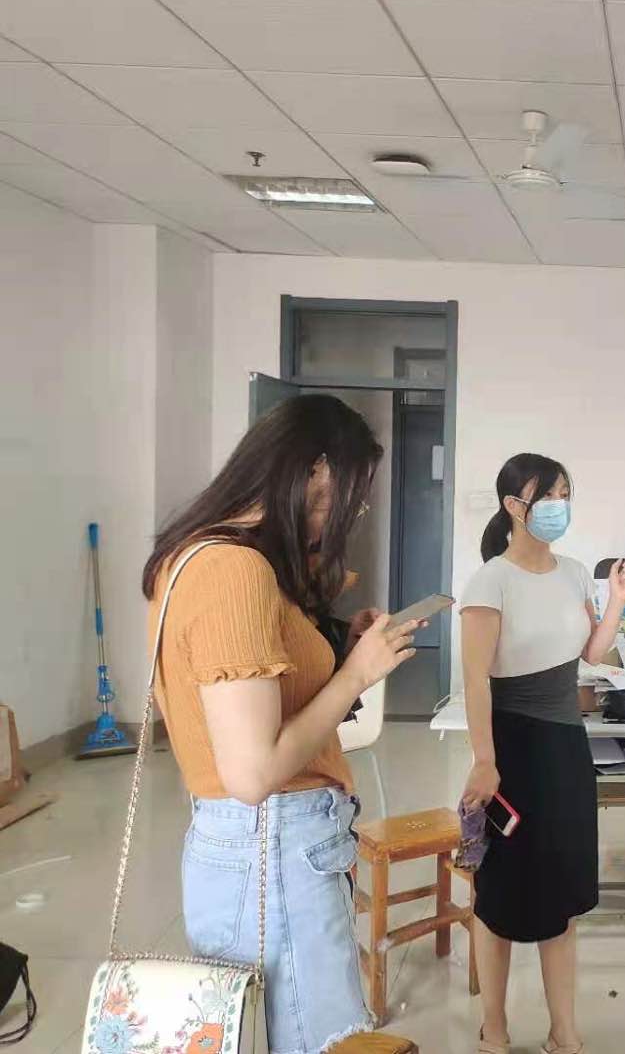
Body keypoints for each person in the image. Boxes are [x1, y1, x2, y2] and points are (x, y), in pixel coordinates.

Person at [141, 394, 422, 1054]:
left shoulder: (195, 556)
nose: (349, 514)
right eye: (350, 497)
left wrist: (339, 646)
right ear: (314, 469)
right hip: (272, 849)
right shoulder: (233, 572)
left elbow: (258, 690)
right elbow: (253, 772)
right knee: (317, 1040)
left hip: (252, 849)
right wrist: (357, 676)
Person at [459, 453, 625, 1054]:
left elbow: (592, 652)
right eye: (549, 496)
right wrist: (484, 760)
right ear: (514, 506)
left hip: (565, 748)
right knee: (500, 896)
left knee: (560, 893)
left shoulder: (575, 572)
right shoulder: (490, 581)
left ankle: (565, 1032)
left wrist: (618, 599)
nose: (560, 505)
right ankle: (495, 1028)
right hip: (512, 748)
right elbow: (476, 680)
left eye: (565, 493)